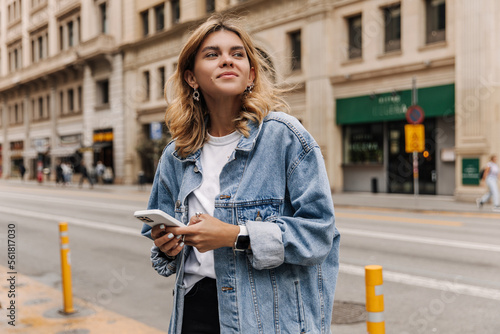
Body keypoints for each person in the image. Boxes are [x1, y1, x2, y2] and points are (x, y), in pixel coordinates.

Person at [141, 15, 340, 334]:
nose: (226, 61)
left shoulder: (284, 137)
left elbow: (319, 235)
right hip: (193, 309)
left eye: (237, 54)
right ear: (191, 78)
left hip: (264, 316)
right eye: (212, 54)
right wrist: (167, 245)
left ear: (251, 74)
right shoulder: (176, 155)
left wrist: (235, 235)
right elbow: (165, 249)